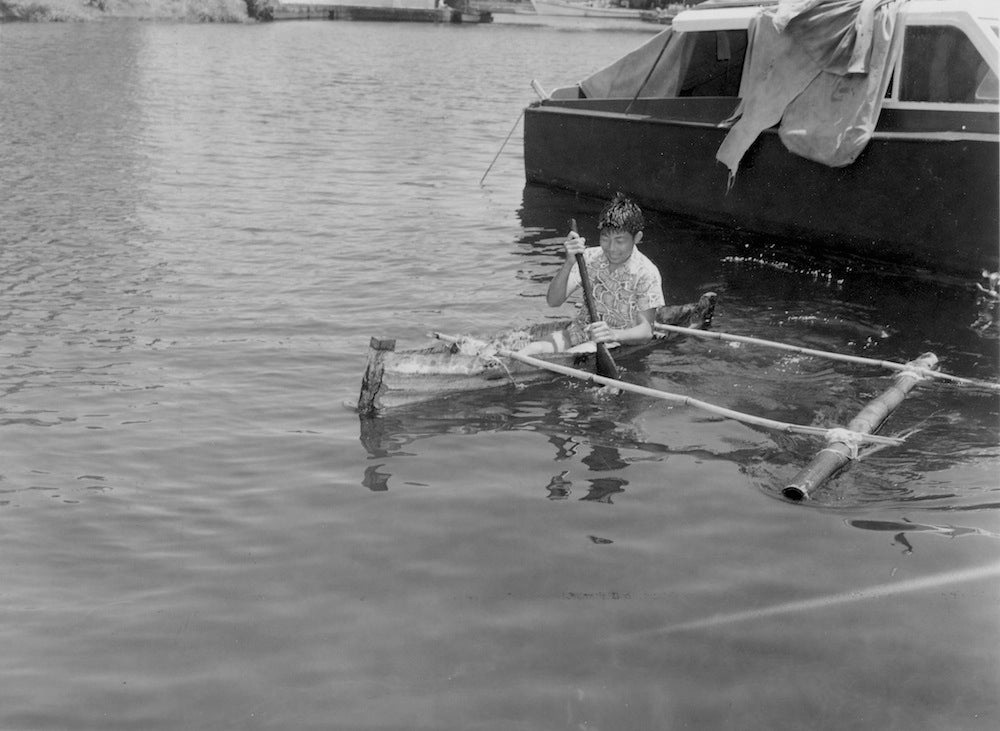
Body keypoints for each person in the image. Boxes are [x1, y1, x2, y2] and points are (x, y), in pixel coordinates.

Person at [520, 193, 664, 356]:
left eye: (620, 241)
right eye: (605, 239)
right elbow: (553, 301)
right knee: (532, 350)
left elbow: (646, 331)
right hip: (580, 331)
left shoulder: (646, 272)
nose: (611, 248)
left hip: (616, 340)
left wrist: (613, 334)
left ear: (637, 238)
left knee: (577, 353)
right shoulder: (589, 257)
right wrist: (568, 263)